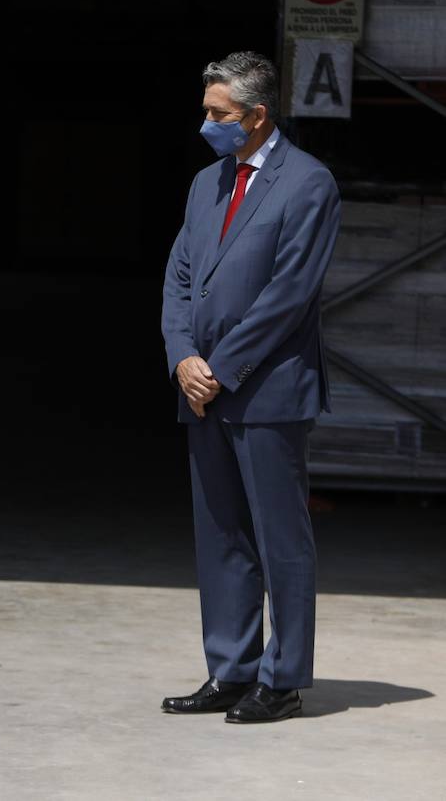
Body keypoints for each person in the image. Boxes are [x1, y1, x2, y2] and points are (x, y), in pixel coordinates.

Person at [160, 51, 342, 724]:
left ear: (258, 116)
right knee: (222, 536)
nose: (207, 124)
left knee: (278, 540)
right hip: (201, 386)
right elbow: (179, 277)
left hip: (265, 392)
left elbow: (288, 293)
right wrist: (183, 356)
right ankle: (231, 669)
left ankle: (282, 678)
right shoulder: (207, 182)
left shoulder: (308, 184)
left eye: (220, 115)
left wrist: (219, 367)